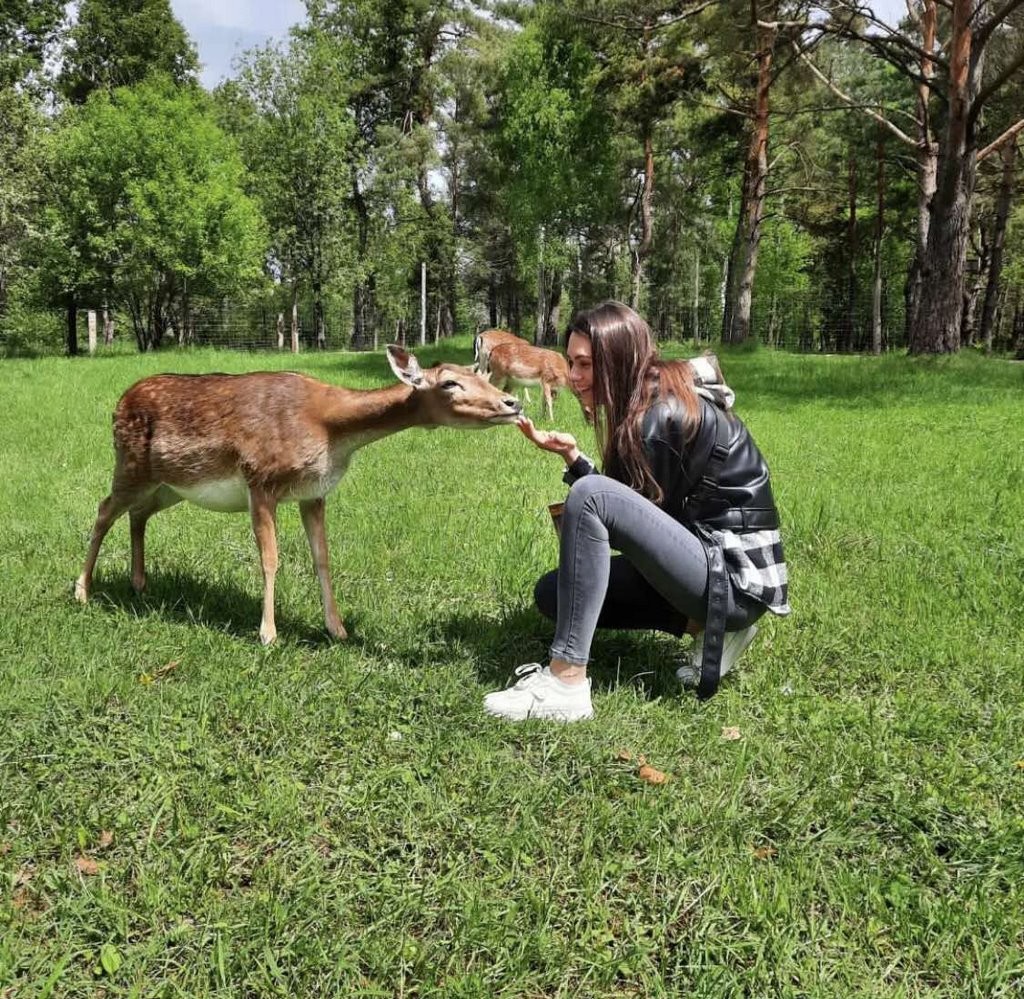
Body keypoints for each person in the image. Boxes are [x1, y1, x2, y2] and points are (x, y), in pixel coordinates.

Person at [483, 301, 789, 722]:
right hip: (710, 561)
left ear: (618, 360)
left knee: (590, 496)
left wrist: (585, 486)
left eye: (586, 364)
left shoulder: (661, 417)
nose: (573, 377)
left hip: (733, 581)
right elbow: (637, 513)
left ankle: (565, 683)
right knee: (552, 594)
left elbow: (617, 510)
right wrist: (575, 459)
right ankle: (708, 627)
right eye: (571, 362)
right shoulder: (652, 401)